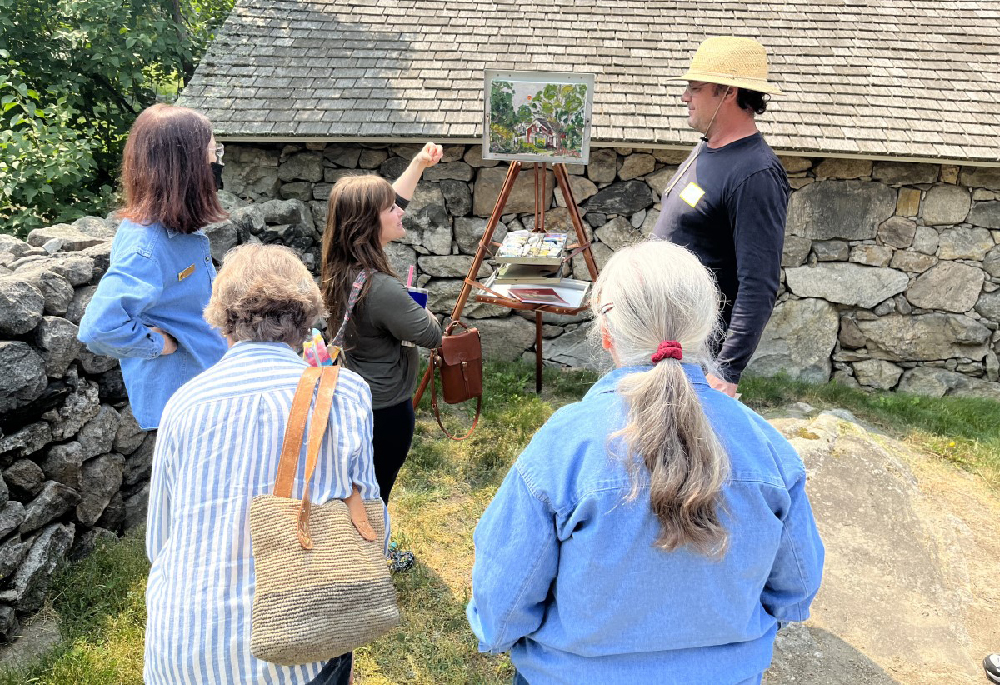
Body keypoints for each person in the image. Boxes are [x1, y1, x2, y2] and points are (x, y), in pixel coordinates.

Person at [467, 240, 824, 684]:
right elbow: (795, 592)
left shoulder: (562, 448)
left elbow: (502, 607)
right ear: (709, 327)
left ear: (606, 334)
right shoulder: (767, 447)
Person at [145, 243, 380, 684]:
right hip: (299, 648)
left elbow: (160, 543)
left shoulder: (183, 404)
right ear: (305, 318)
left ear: (222, 320)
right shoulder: (346, 393)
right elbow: (365, 519)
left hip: (182, 650)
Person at [651, 36, 791, 397]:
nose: (685, 97)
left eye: (695, 88)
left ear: (728, 92)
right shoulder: (708, 147)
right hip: (667, 343)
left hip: (699, 357)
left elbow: (758, 284)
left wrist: (726, 371)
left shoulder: (756, 174)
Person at [78, 103, 229, 430]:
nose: (217, 160)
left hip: (204, 391)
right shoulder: (147, 243)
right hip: (184, 408)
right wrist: (158, 344)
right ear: (185, 165)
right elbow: (99, 327)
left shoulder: (179, 227)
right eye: (212, 151)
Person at [320, 143, 443, 504]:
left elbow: (393, 204)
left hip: (358, 398)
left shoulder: (340, 267)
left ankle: (363, 546)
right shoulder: (383, 288)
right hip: (387, 411)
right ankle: (372, 553)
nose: (400, 212)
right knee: (377, 493)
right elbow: (429, 334)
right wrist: (418, 308)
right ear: (368, 223)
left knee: (360, 488)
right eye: (391, 209)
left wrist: (418, 166)